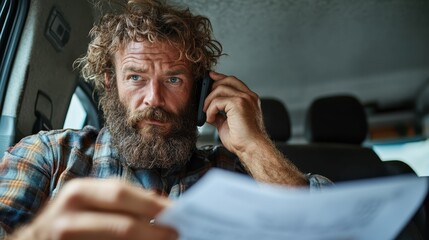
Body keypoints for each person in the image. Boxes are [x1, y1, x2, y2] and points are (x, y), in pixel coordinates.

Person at [0, 0, 331, 239]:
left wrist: (255, 146)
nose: (153, 99)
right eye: (135, 77)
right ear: (109, 82)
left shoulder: (237, 174)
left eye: (174, 79)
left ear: (200, 90)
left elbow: (331, 229)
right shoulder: (49, 154)